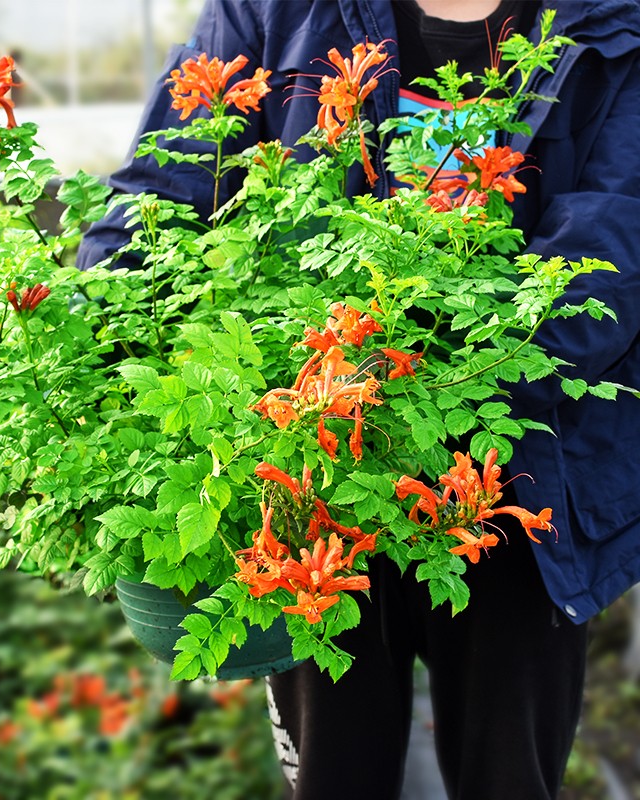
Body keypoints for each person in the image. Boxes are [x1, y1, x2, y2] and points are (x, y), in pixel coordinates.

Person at [77, 1, 640, 797]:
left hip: (527, 473)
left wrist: (379, 373)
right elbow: (158, 193)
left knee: (511, 776)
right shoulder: (272, 10)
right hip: (316, 480)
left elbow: (607, 268)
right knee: (334, 778)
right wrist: (90, 338)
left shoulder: (613, 24)